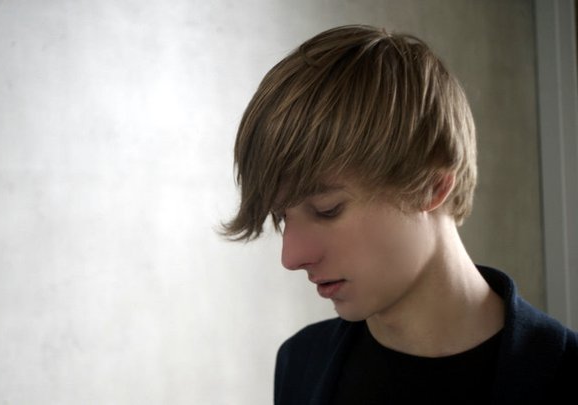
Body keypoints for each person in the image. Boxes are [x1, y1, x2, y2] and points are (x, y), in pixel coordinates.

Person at [221, 25, 578, 404]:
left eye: (327, 210)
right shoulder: (300, 363)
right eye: (282, 217)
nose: (291, 257)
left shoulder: (563, 373)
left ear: (431, 185)